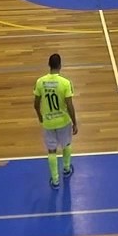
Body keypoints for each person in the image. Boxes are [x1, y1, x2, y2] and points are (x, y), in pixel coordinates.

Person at [34, 53, 78, 188]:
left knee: (51, 151)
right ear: (60, 65)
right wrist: (74, 122)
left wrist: (40, 116)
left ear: (49, 65)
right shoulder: (65, 83)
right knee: (66, 144)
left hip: (48, 122)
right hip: (63, 121)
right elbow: (69, 104)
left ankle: (55, 180)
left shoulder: (40, 82)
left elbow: (36, 103)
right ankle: (66, 168)